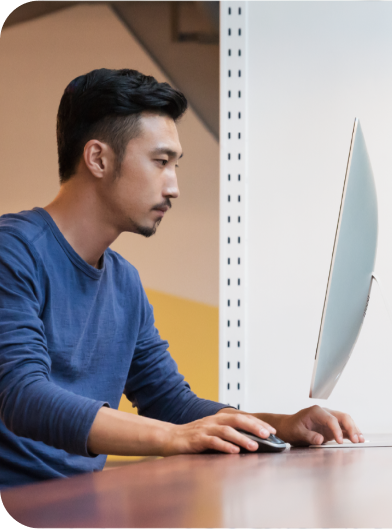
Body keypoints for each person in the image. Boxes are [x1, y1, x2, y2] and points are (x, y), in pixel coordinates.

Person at [0, 68, 364, 490]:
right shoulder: (14, 251)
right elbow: (22, 396)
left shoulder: (123, 282)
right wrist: (174, 438)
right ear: (98, 158)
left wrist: (282, 426)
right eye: (160, 162)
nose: (173, 187)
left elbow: (172, 404)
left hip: (78, 502)